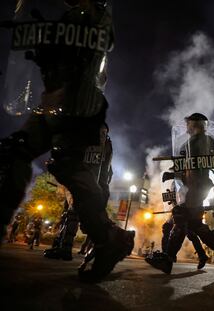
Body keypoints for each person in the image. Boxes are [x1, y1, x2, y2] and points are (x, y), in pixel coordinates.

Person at [0, 0, 134, 281]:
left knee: (69, 166)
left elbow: (91, 53)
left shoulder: (93, 13)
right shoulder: (73, 14)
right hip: (52, 100)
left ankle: (108, 238)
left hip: (76, 104)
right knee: (16, 152)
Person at [146, 113, 214, 275]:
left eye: (189, 124)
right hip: (198, 185)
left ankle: (168, 258)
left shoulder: (198, 141)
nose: (186, 127)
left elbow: (194, 167)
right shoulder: (207, 140)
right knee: (193, 224)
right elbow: (191, 165)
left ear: (195, 124)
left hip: (197, 186)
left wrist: (174, 174)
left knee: (183, 218)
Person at [44, 122, 113, 261]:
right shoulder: (106, 146)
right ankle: (64, 246)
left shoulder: (89, 141)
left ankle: (65, 248)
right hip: (93, 185)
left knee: (72, 214)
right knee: (75, 215)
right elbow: (107, 171)